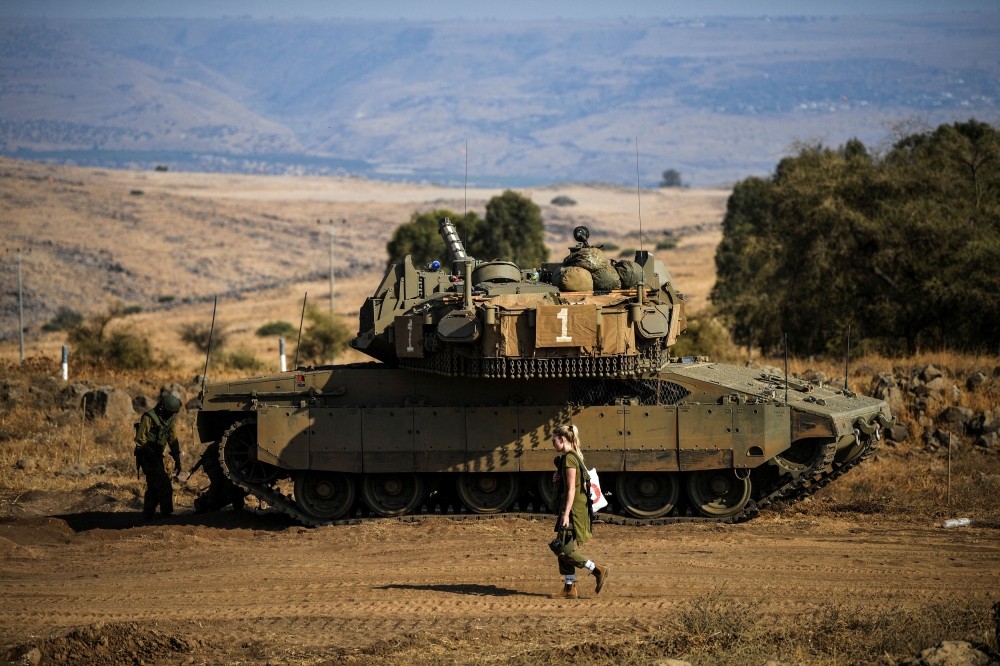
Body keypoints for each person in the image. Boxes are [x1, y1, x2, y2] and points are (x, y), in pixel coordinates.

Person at [548, 424, 610, 599]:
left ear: (562, 439)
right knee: (562, 545)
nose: (552, 443)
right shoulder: (573, 457)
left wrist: (566, 514)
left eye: (554, 440)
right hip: (575, 508)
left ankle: (597, 569)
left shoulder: (569, 459)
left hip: (573, 510)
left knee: (562, 548)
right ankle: (569, 587)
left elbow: (571, 490)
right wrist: (558, 476)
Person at [134, 394, 182, 520]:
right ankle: (166, 514)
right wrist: (149, 453)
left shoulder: (170, 419)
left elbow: (173, 439)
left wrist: (177, 457)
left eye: (173, 413)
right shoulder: (149, 417)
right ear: (162, 408)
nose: (172, 415)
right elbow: (140, 439)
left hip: (158, 456)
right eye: (169, 412)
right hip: (147, 457)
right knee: (164, 483)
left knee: (154, 487)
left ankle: (148, 515)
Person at [191, 441, 246, 513]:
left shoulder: (234, 443)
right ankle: (211, 506)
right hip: (211, 461)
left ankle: (238, 506)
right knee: (217, 482)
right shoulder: (231, 444)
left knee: (234, 482)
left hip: (217, 461)